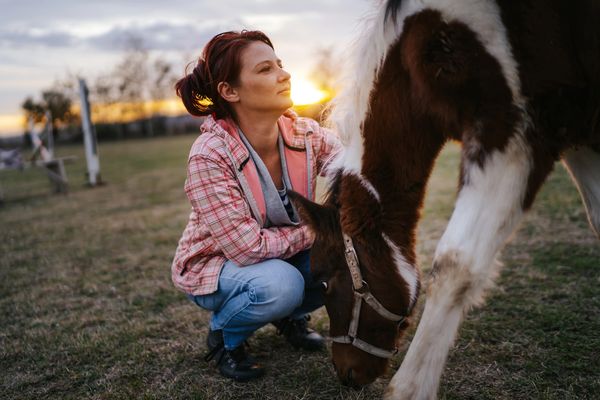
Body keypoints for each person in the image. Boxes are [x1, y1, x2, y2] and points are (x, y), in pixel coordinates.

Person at [171, 30, 341, 382]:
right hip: (217, 267)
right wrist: (319, 229)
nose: (284, 74)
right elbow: (247, 249)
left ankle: (288, 317)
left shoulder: (305, 134)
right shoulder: (209, 155)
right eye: (265, 69)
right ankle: (225, 336)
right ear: (229, 91)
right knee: (281, 286)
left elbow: (354, 167)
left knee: (344, 257)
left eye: (280, 64)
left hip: (281, 255)